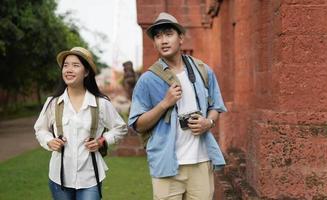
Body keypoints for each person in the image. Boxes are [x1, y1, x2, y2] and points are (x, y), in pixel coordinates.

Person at [128, 12, 227, 200]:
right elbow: (138, 125)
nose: (163, 40)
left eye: (168, 34)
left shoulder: (203, 70)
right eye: (158, 36)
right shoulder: (147, 80)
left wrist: (208, 122)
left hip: (201, 161)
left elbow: (216, 106)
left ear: (181, 38)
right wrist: (164, 103)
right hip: (166, 164)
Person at [34, 47, 127, 200]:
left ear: (86, 72)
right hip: (59, 177)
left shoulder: (101, 103)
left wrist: (102, 141)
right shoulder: (53, 102)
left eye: (76, 65)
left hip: (90, 177)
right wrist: (49, 141)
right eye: (66, 65)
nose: (69, 70)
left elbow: (120, 128)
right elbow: (40, 129)